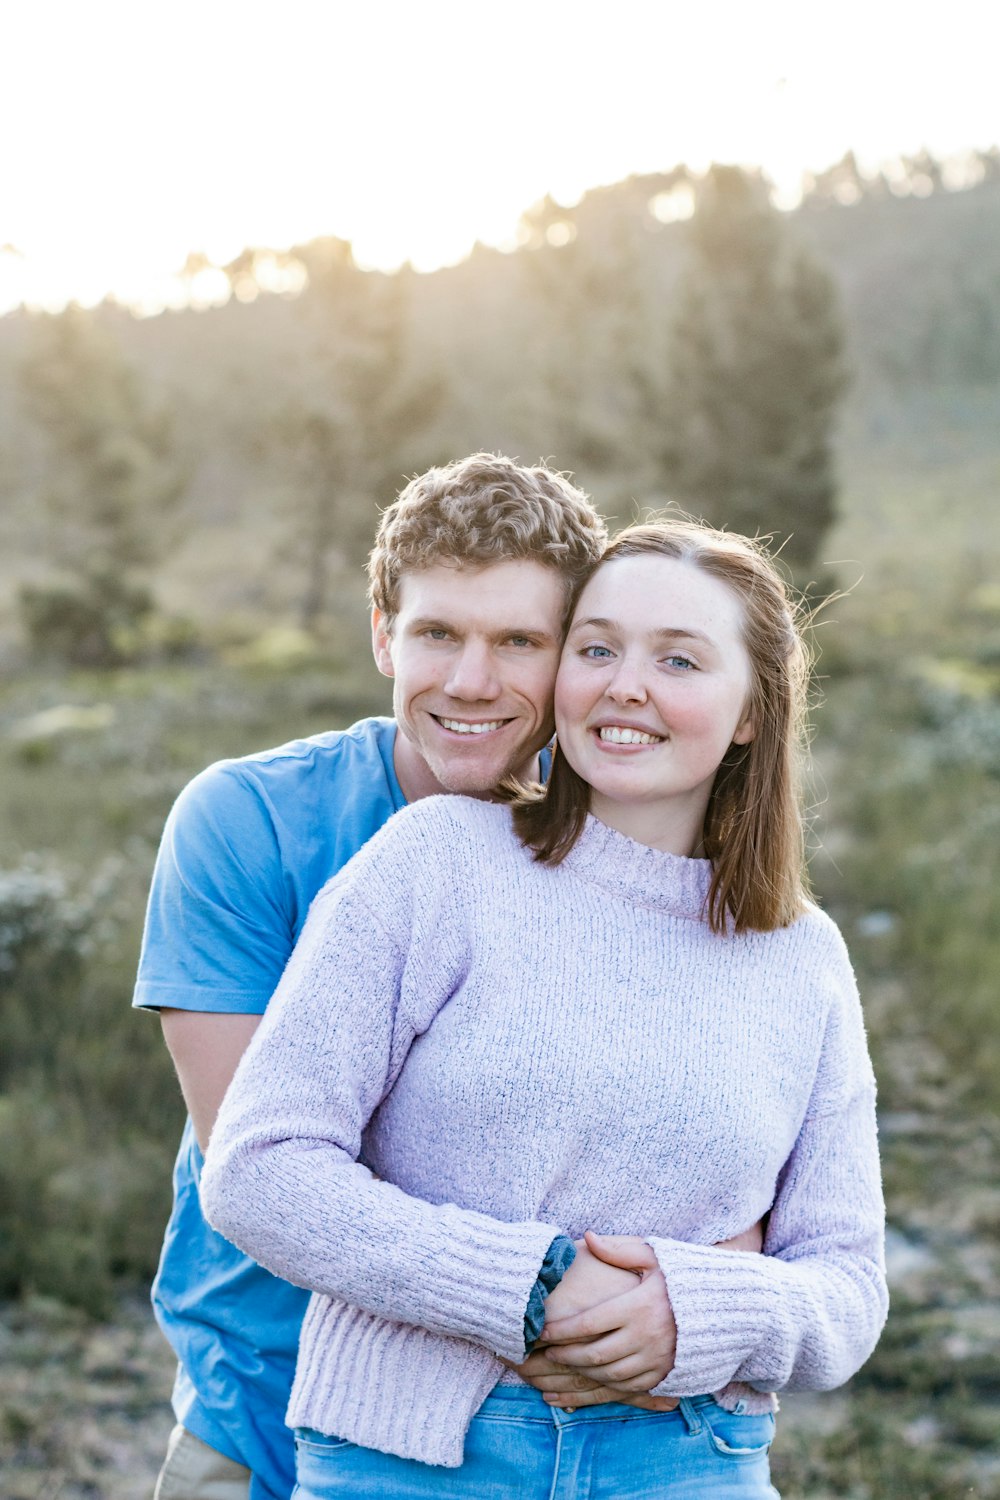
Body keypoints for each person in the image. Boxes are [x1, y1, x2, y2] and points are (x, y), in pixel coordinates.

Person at [200, 518, 889, 1499]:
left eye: (679, 659)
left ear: (750, 712)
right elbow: (260, 1172)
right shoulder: (438, 863)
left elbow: (848, 1288)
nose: (625, 685)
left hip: (687, 1460)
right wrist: (527, 1286)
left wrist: (694, 1313)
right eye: (596, 647)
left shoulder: (800, 957)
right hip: (411, 1459)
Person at [133, 453, 615, 1500]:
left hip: (524, 1433)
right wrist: (544, 1284)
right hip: (263, 1407)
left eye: (517, 642)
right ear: (381, 633)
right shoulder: (248, 822)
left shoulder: (623, 855)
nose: (471, 681)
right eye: (438, 632)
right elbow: (261, 1174)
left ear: (571, 657)